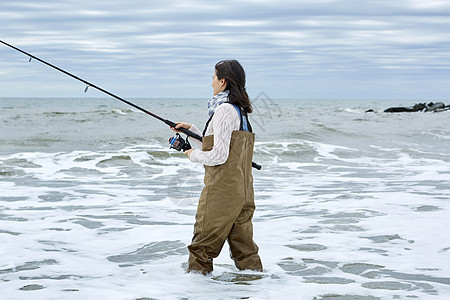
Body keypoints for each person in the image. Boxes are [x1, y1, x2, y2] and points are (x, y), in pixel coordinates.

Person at [172, 60, 263, 275]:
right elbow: (225, 149)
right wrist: (191, 130)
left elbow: (219, 156)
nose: (211, 82)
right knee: (245, 251)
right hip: (243, 192)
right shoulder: (240, 111)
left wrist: (192, 155)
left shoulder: (223, 111)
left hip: (221, 192)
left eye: (213, 77)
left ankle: (196, 292)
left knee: (201, 249)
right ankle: (256, 288)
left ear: (222, 82)